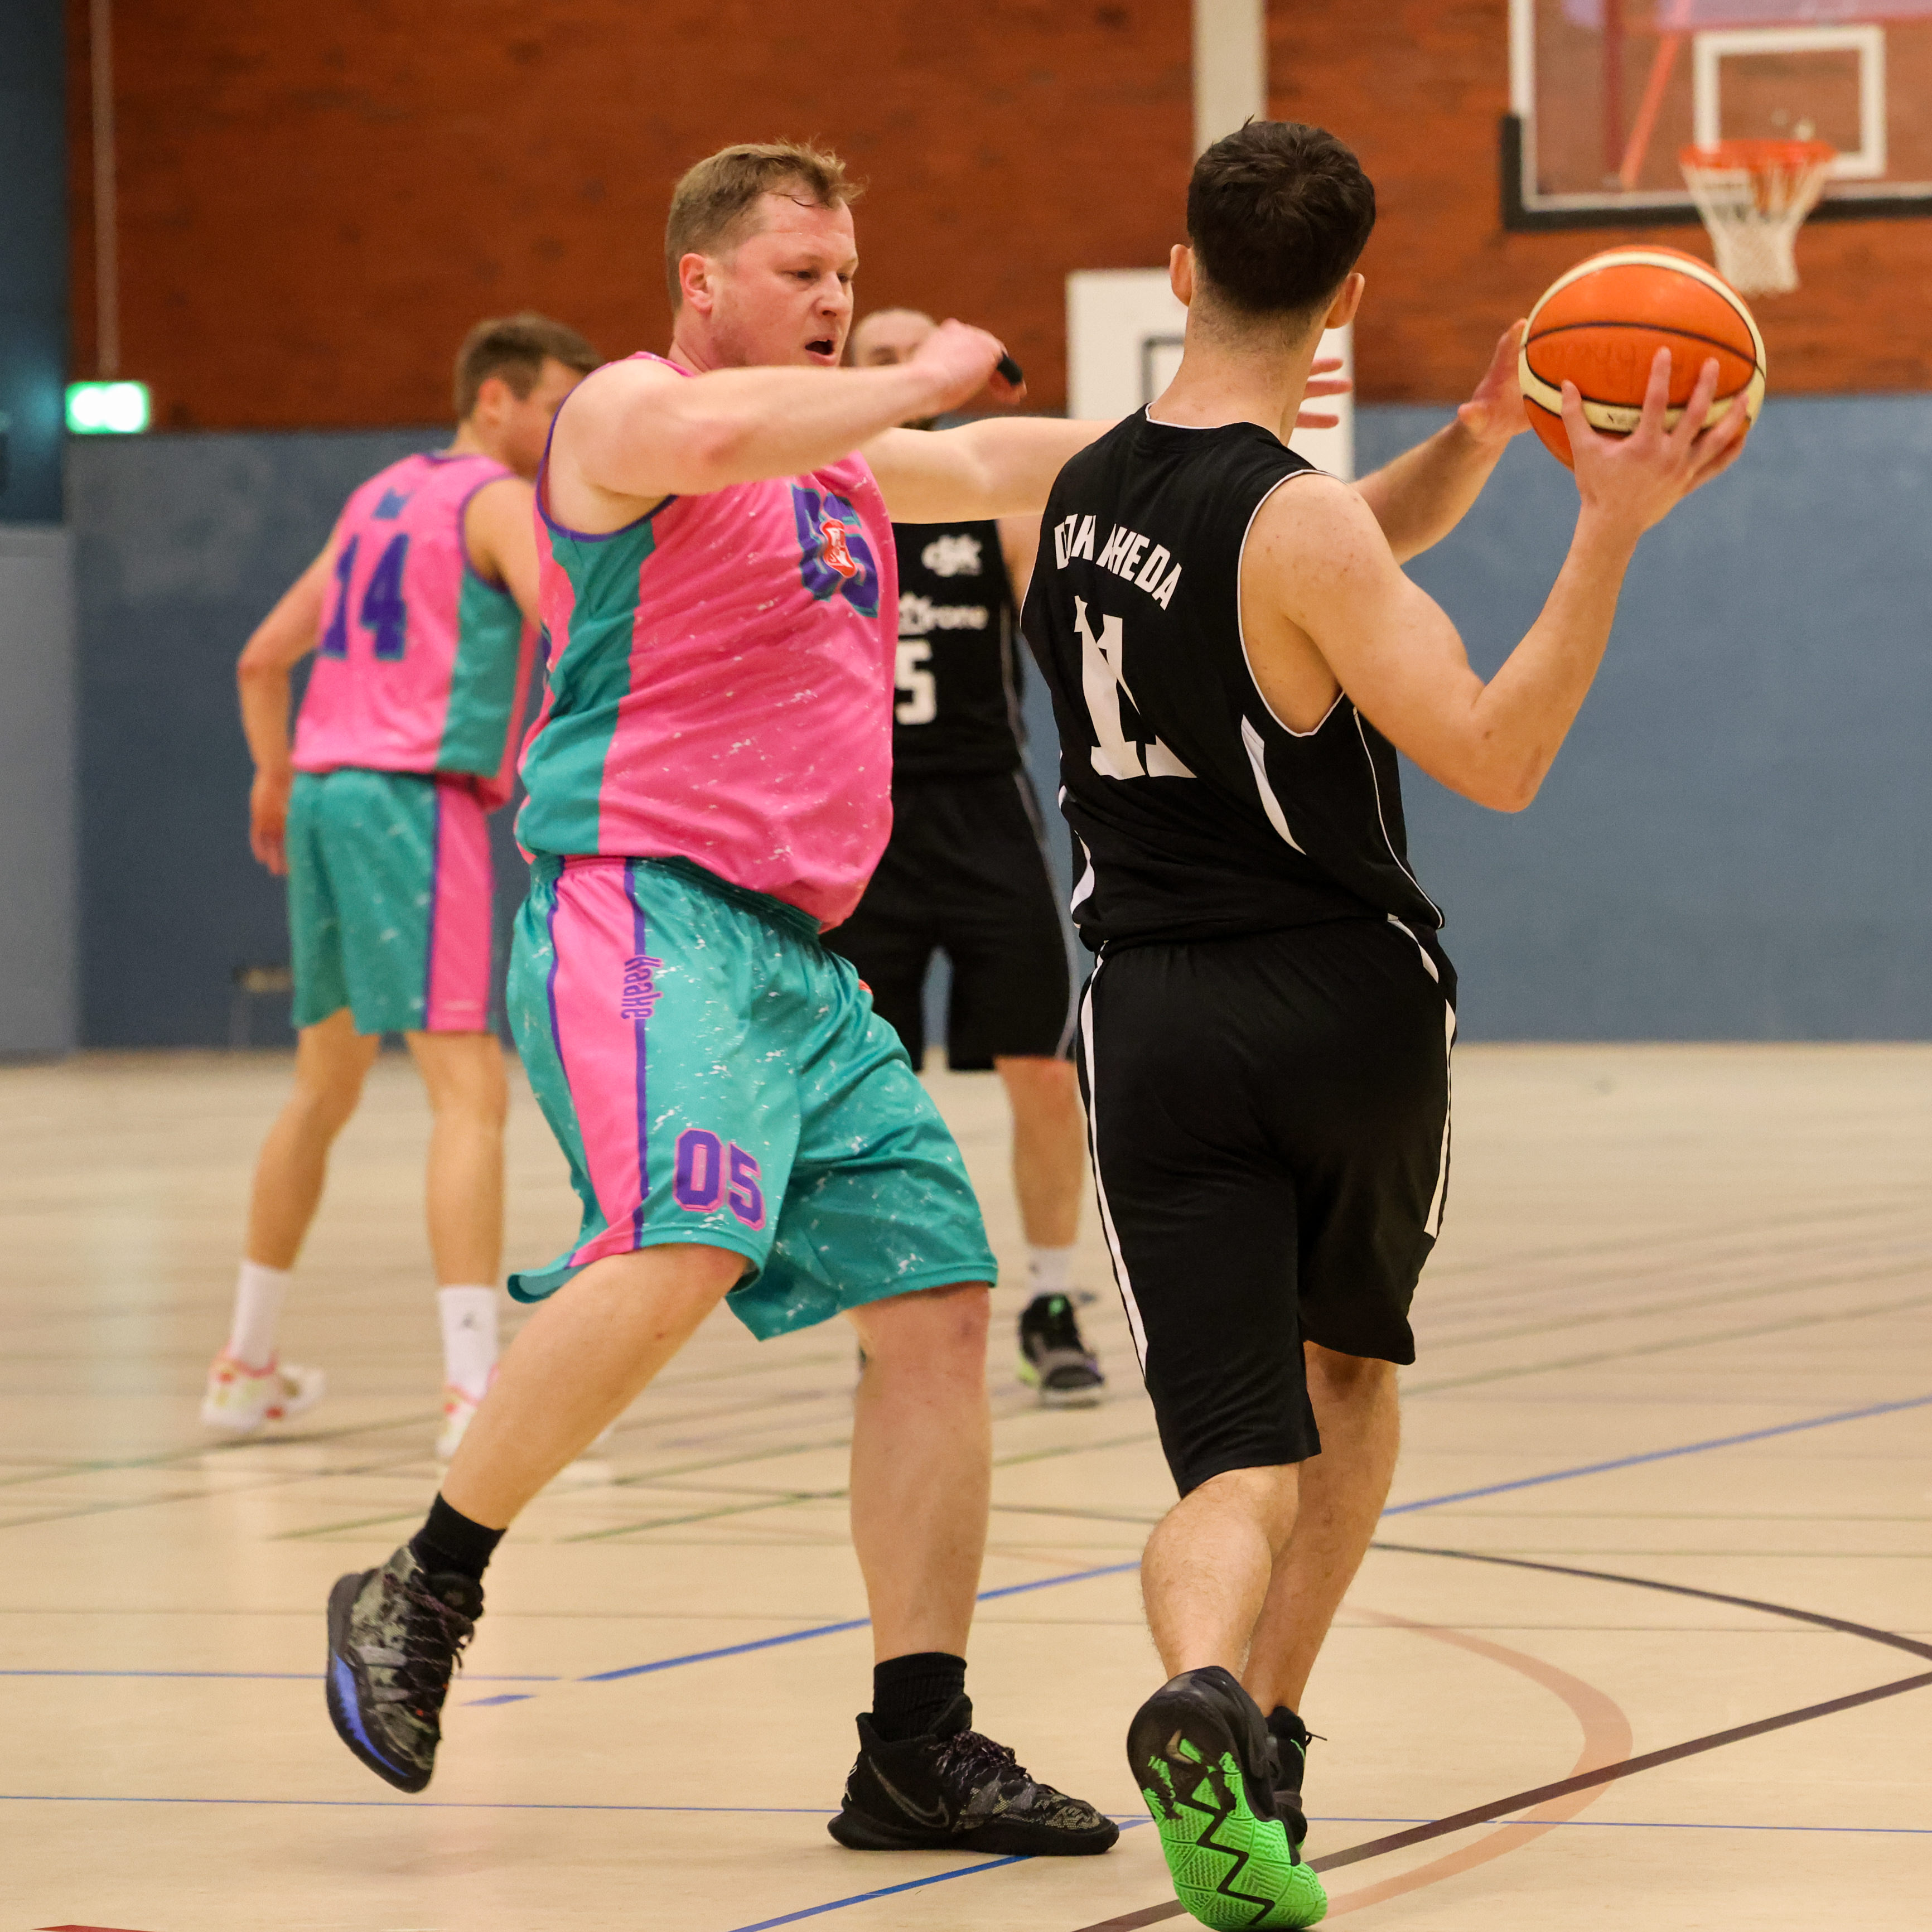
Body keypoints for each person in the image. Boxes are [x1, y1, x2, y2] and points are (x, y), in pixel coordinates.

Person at [1022, 122, 1751, 1928]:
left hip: (1156, 1018)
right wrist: (1605, 528)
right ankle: (1263, 1738)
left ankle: (1200, 1688)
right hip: (1346, 1007)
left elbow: (1310, 565)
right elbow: (1493, 751)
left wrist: (1480, 439)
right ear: (1347, 299)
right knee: (1347, 1379)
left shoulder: (1070, 489)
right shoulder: (1309, 529)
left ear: (1181, 270)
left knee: (1230, 1459)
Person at [207, 314, 599, 1461]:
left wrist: (273, 773)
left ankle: (244, 1366)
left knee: (322, 1089)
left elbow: (260, 657)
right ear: (495, 400)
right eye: (555, 406)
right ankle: (475, 1391)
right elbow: (574, 624)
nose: (565, 430)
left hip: (323, 793)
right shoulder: (497, 501)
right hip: (411, 802)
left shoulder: (378, 497)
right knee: (468, 1093)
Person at [833, 303, 1100, 1406]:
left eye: (914, 356)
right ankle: (883, 1306)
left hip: (983, 812)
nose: (903, 371)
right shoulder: (819, 496)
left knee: (1043, 1069)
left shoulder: (987, 499)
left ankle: (1051, 1296)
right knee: (869, 1084)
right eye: (880, 358)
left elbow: (1066, 623)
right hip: (859, 826)